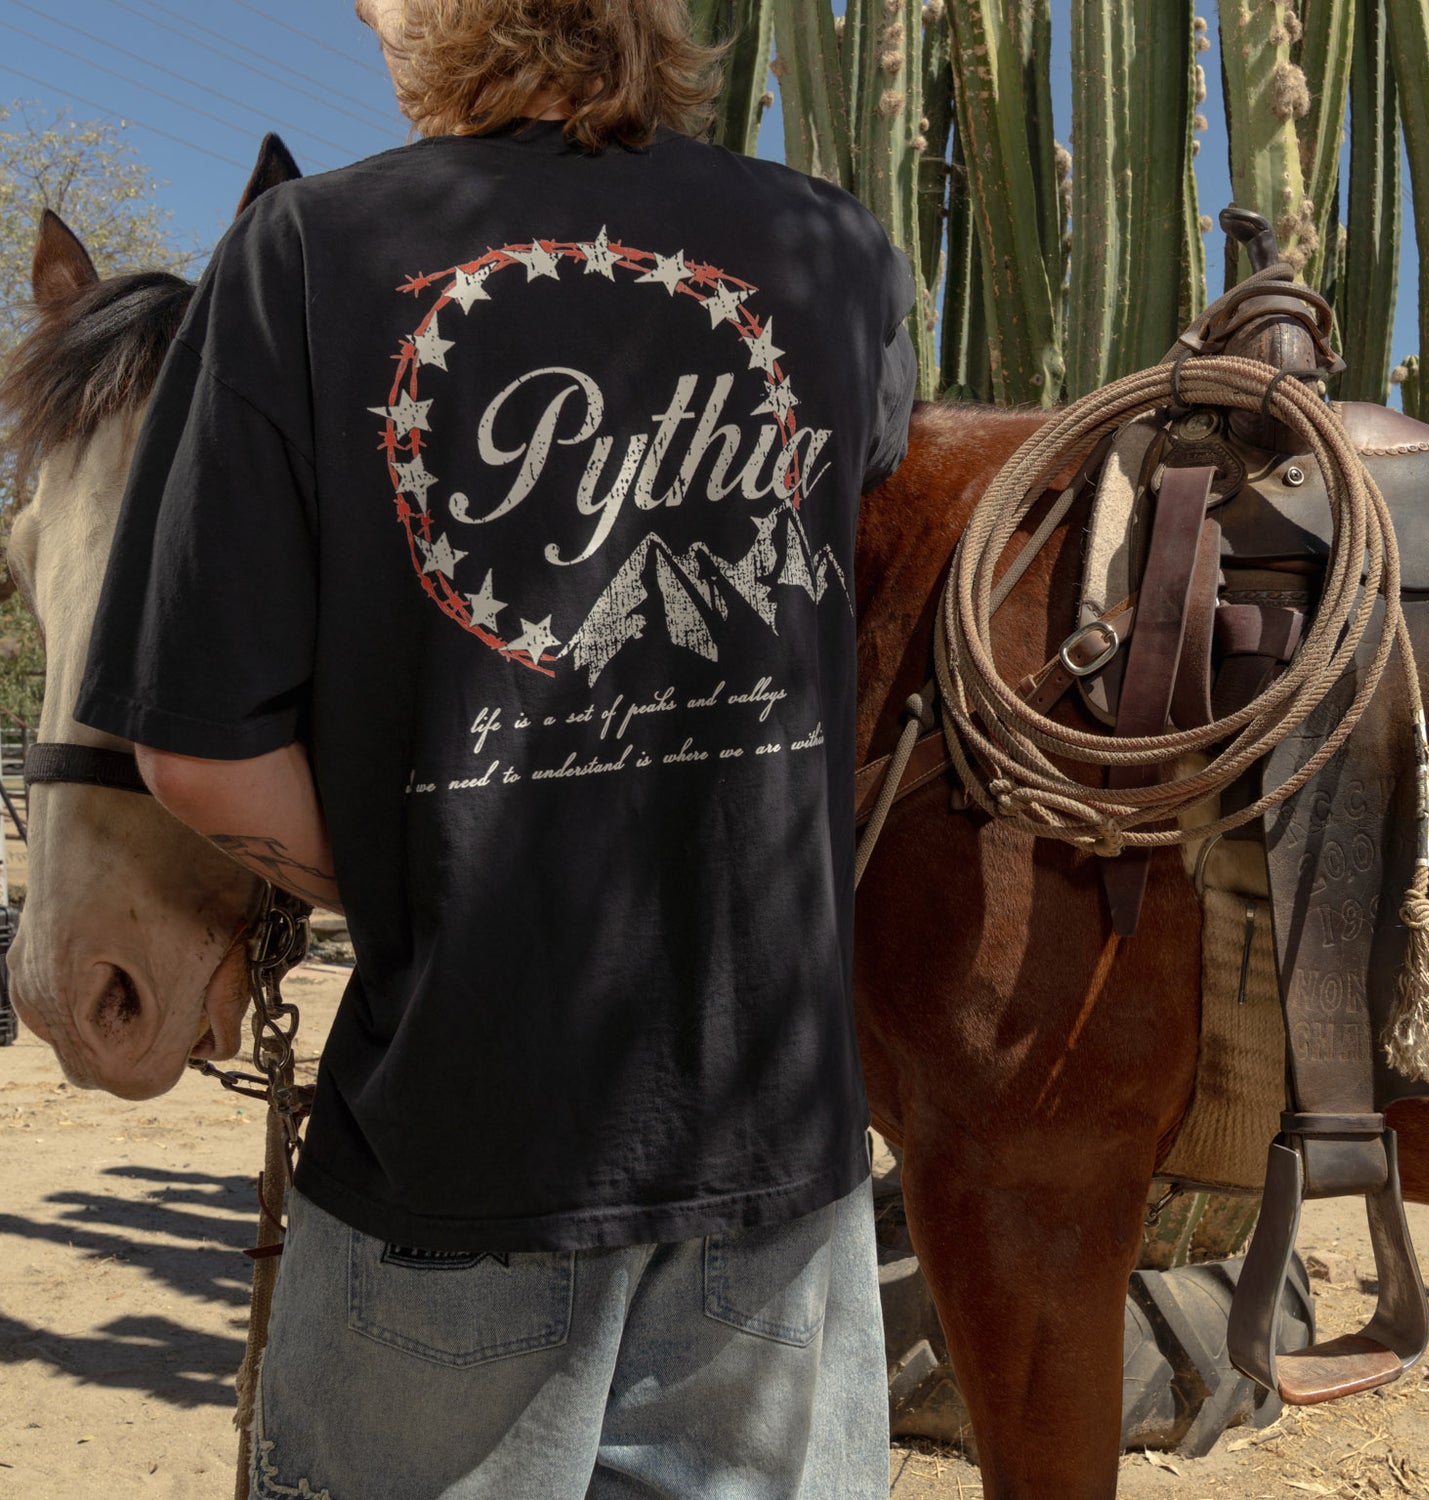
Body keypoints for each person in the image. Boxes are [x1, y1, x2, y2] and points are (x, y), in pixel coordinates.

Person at [73, 0, 917, 1493]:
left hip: (453, 1163)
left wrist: (431, 875)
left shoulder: (302, 256)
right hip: (777, 1174)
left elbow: (197, 755)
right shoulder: (837, 251)